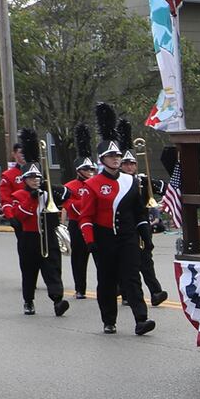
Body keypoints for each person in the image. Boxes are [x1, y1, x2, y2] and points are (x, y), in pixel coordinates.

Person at [77, 135, 155, 336]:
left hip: (127, 238)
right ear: (102, 160)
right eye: (111, 156)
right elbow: (85, 216)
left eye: (118, 155)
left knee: (132, 278)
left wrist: (145, 234)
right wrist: (90, 240)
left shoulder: (131, 181)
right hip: (104, 239)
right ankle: (109, 320)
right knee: (107, 281)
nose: (116, 159)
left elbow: (139, 212)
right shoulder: (93, 184)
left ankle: (141, 319)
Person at [1, 132, 70, 318]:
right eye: (31, 178)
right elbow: (19, 216)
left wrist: (55, 189)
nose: (35, 180)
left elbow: (69, 196)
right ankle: (28, 300)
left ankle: (58, 300)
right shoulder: (19, 196)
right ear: (24, 180)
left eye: (37, 177)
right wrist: (31, 200)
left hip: (48, 235)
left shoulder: (47, 192)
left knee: (53, 269)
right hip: (29, 238)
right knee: (29, 272)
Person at [120, 149, 167, 306]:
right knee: (128, 263)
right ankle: (126, 293)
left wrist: (151, 184)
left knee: (146, 259)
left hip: (143, 224)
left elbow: (165, 188)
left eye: (132, 163)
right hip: (126, 226)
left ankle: (156, 292)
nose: (129, 167)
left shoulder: (142, 180)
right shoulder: (118, 182)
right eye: (125, 164)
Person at [62, 128, 97, 300]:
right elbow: (73, 207)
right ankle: (80, 288)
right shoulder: (70, 186)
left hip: (96, 224)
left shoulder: (98, 184)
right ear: (78, 170)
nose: (90, 172)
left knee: (103, 258)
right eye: (86, 169)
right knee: (79, 259)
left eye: (91, 168)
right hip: (77, 225)